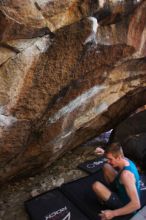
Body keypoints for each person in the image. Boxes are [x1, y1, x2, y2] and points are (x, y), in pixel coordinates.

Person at [92, 142, 141, 220]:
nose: (108, 161)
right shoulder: (126, 160)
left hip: (126, 205)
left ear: (119, 157)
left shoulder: (126, 176)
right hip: (123, 189)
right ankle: (110, 194)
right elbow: (112, 155)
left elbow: (136, 205)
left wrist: (113, 213)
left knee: (96, 186)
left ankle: (107, 201)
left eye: (110, 159)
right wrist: (103, 152)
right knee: (106, 166)